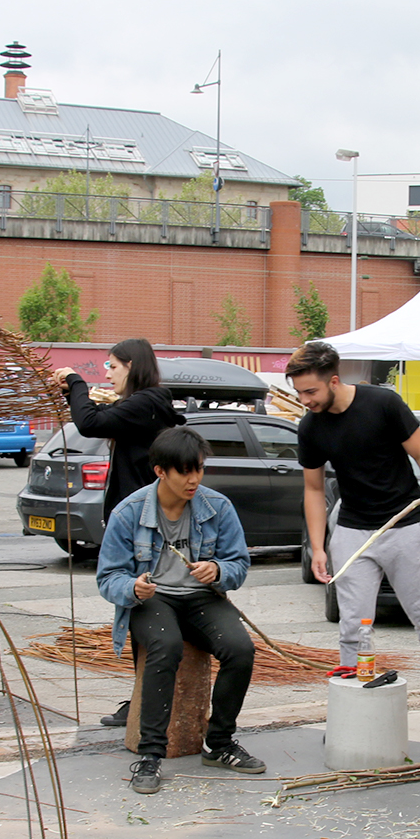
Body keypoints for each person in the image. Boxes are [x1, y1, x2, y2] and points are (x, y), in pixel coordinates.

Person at [97, 426, 263, 794]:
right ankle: (151, 754)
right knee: (165, 646)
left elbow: (239, 563)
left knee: (241, 649)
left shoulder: (217, 506)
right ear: (160, 471)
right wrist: (133, 588)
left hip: (202, 597)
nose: (194, 479)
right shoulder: (129, 512)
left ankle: (220, 743)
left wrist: (218, 570)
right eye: (184, 471)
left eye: (199, 470)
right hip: (152, 599)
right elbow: (108, 577)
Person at [288, 341, 420, 666]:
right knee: (353, 627)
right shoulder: (310, 427)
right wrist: (318, 547)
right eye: (299, 393)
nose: (305, 400)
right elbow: (313, 490)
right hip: (352, 531)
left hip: (405, 526)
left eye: (310, 391)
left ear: (333, 380)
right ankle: (357, 704)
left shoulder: (383, 403)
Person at [54, 338, 186, 728]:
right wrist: (74, 394)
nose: (107, 373)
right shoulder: (141, 406)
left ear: (131, 365)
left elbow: (89, 422)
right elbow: (96, 417)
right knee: (139, 614)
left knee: (146, 614)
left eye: (111, 366)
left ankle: (151, 702)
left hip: (148, 526)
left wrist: (77, 383)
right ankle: (144, 697)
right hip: (136, 522)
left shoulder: (147, 402)